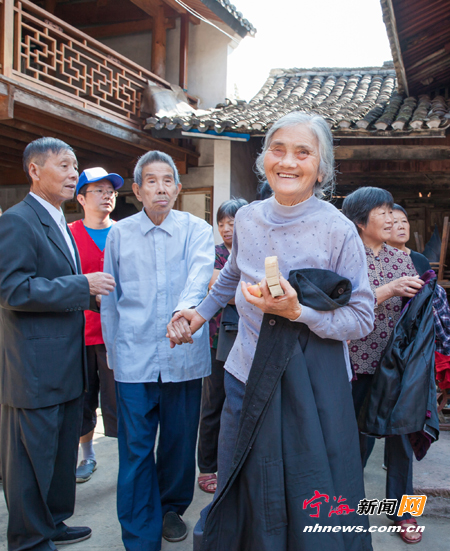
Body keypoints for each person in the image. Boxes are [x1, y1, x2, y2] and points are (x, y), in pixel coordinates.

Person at [167, 111, 375, 551]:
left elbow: (361, 318)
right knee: (244, 484)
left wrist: (298, 312)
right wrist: (199, 313)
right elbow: (232, 274)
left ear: (321, 169)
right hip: (245, 374)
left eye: (303, 152)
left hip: (311, 387)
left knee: (308, 495)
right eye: (278, 149)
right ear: (264, 159)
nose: (288, 161)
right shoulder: (248, 218)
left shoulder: (338, 230)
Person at [0, 137, 116, 551]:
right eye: (64, 166)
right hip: (34, 366)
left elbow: (53, 284)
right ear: (35, 170)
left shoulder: (56, 220)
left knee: (60, 450)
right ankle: (29, 539)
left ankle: (52, 522)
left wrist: (90, 296)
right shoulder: (18, 220)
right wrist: (81, 285)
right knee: (31, 459)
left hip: (64, 362)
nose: (73, 174)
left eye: (74, 166)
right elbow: (12, 289)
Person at [101, 150, 214, 550]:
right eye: (151, 181)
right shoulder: (119, 235)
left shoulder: (197, 229)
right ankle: (138, 533)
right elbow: (110, 299)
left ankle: (170, 509)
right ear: (137, 190)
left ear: (178, 189)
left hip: (183, 355)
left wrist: (184, 312)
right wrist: (114, 355)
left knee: (178, 444)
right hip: (134, 357)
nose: (160, 188)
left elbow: (201, 275)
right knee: (134, 448)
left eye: (168, 180)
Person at [342, 187, 427, 544]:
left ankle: (405, 512)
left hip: (397, 366)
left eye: (392, 211)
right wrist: (390, 289)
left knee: (402, 443)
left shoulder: (402, 259)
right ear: (360, 222)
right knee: (354, 444)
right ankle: (347, 508)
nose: (391, 218)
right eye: (382, 212)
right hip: (356, 365)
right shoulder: (345, 257)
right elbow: (341, 303)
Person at [69, 167, 124, 483]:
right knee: (83, 399)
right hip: (79, 332)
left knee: (120, 398)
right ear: (81, 198)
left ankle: (126, 459)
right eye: (99, 191)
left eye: (111, 191)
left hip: (117, 333)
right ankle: (87, 456)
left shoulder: (123, 233)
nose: (107, 196)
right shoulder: (68, 234)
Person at [197, 197, 247, 494]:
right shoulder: (213, 254)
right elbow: (220, 291)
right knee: (214, 403)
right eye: (222, 223)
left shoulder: (254, 251)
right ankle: (207, 466)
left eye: (232, 222)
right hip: (217, 340)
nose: (226, 228)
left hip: (249, 340)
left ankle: (235, 464)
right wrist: (250, 292)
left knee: (240, 404)